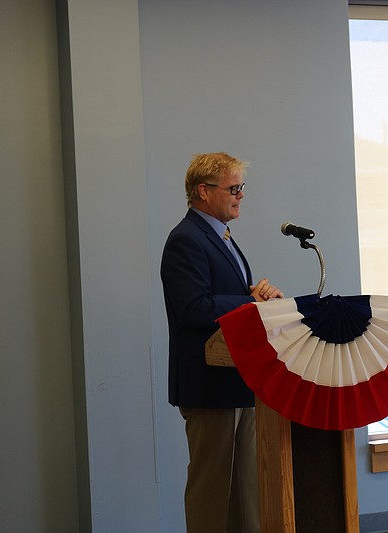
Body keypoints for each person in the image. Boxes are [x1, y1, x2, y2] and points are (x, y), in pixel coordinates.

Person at [161, 152, 283, 533]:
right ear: (203, 191)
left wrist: (257, 296)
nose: (240, 195)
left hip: (239, 381)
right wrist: (251, 302)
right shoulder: (186, 240)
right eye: (233, 188)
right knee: (212, 494)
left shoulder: (223, 237)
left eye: (240, 188)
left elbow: (225, 296)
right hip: (208, 385)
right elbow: (193, 308)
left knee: (247, 491)